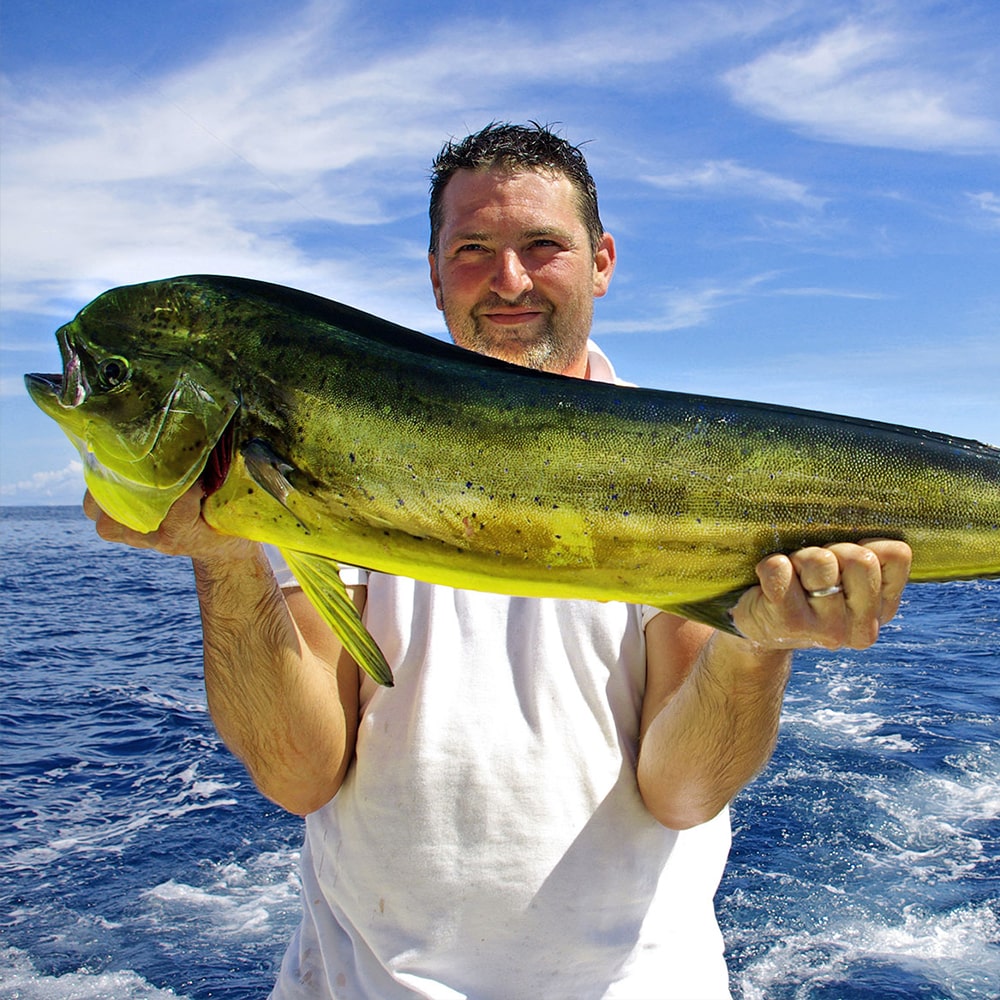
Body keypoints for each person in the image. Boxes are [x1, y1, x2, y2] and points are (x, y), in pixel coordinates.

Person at [85, 122, 912, 998]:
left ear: (601, 263)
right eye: (473, 248)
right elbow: (300, 772)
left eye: (542, 245)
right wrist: (225, 563)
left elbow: (683, 792)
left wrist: (756, 644)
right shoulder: (327, 444)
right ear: (435, 270)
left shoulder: (687, 474)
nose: (508, 279)